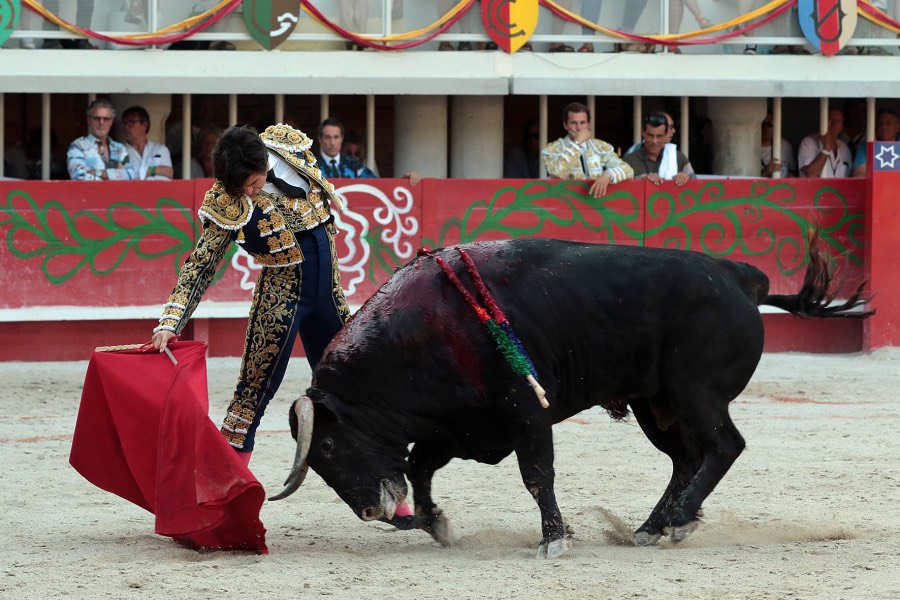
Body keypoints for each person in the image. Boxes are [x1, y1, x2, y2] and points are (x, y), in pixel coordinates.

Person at [150, 124, 350, 462]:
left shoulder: (291, 148)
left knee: (353, 384)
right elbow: (200, 265)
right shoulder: (225, 199)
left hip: (329, 294)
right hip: (280, 299)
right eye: (241, 189)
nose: (250, 194)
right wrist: (171, 320)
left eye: (253, 184)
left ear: (263, 164)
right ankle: (225, 495)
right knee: (249, 398)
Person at [541, 102, 634, 197]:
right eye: (574, 123)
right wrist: (577, 144)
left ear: (588, 125)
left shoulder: (600, 146)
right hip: (566, 203)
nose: (579, 128)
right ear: (565, 125)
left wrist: (608, 174)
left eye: (582, 123)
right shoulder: (553, 149)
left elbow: (629, 171)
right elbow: (558, 173)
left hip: (596, 204)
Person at [67, 99, 140, 181]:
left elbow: (131, 175)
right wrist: (116, 175)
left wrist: (99, 173)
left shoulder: (120, 149)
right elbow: (79, 177)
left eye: (106, 119)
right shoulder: (78, 147)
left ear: (111, 121)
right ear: (89, 120)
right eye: (97, 118)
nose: (101, 122)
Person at [623, 111, 696, 186]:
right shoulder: (629, 161)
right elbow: (621, 191)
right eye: (650, 135)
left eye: (659, 136)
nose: (654, 141)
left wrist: (686, 179)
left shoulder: (679, 159)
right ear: (643, 133)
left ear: (666, 134)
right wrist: (642, 182)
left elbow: (697, 189)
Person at [121, 106, 174, 180]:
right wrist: (154, 170)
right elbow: (122, 177)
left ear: (144, 125)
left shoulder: (161, 150)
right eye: (124, 123)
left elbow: (166, 177)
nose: (126, 127)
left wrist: (136, 174)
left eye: (131, 122)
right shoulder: (119, 152)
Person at [798, 107, 852, 178]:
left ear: (842, 126)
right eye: (830, 119)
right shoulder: (808, 142)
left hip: (839, 189)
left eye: (838, 121)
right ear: (822, 121)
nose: (834, 124)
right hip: (816, 189)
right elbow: (811, 175)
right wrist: (826, 149)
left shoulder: (844, 148)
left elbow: (850, 177)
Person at [852, 108, 900, 177]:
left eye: (888, 123)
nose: (883, 126)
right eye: (881, 123)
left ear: (897, 127)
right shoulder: (866, 147)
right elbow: (859, 174)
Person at [760, 111, 796, 178]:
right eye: (762, 123)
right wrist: (765, 172)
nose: (765, 127)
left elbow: (792, 170)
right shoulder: (749, 147)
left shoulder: (785, 145)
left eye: (770, 124)